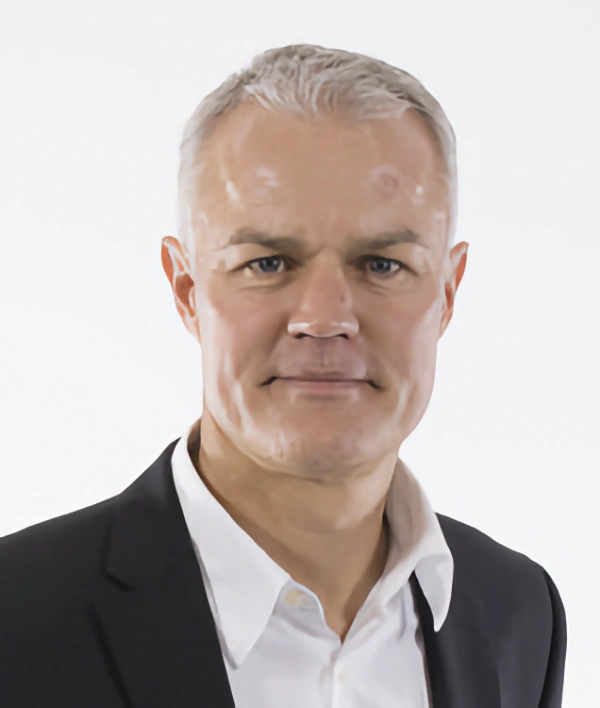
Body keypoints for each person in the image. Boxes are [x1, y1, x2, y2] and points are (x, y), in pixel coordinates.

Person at [0, 43, 566, 707]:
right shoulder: (16, 617)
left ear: (447, 292)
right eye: (267, 263)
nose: (324, 318)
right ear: (186, 289)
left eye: (382, 264)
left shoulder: (519, 613)